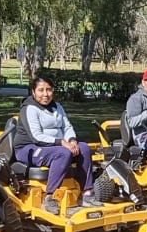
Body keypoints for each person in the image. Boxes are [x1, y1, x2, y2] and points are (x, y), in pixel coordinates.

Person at [15, 74, 100, 214]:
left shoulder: (57, 107)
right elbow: (36, 137)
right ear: (33, 92)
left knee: (84, 148)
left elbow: (67, 127)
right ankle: (50, 197)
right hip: (29, 149)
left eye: (49, 90)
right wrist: (61, 142)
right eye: (41, 90)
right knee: (62, 153)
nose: (45, 94)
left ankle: (86, 193)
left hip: (55, 146)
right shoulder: (29, 108)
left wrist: (72, 140)